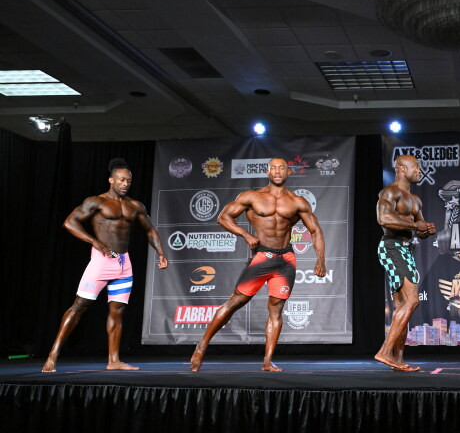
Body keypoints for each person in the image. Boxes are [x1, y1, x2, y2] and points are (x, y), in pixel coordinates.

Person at [190, 158, 325, 371]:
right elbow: (223, 217)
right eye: (274, 168)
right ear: (267, 171)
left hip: (286, 259)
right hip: (262, 256)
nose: (277, 171)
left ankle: (267, 361)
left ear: (288, 172)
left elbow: (315, 231)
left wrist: (320, 260)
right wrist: (245, 234)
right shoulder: (252, 197)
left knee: (276, 309)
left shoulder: (298, 202)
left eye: (282, 168)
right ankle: (202, 345)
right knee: (235, 302)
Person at [42, 158, 168, 372]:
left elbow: (149, 229)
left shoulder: (135, 206)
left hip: (123, 264)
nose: (125, 184)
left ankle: (114, 360)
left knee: (117, 311)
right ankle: (53, 355)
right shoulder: (96, 202)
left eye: (128, 181)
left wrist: (161, 252)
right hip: (101, 262)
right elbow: (69, 222)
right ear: (111, 180)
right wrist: (94, 241)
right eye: (121, 180)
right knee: (79, 306)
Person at [375, 155, 435, 371]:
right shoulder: (390, 192)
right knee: (412, 300)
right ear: (401, 168)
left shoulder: (415, 199)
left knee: (402, 306)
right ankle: (385, 352)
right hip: (392, 247)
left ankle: (398, 360)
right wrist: (414, 226)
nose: (419, 170)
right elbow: (383, 219)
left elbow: (420, 228)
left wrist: (426, 229)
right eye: (416, 166)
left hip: (406, 249)